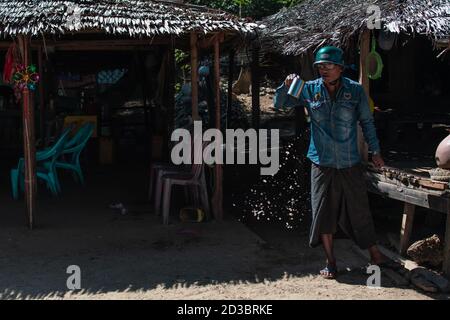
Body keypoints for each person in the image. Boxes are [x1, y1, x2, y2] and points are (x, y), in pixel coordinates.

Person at [274, 46, 401, 279]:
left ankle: (376, 255)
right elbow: (280, 104)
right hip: (321, 162)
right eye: (320, 66)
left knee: (359, 209)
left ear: (340, 68)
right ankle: (330, 261)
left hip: (350, 161)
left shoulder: (355, 91)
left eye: (328, 65)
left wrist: (375, 150)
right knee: (323, 212)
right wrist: (286, 84)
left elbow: (367, 121)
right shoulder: (309, 89)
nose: (323, 70)